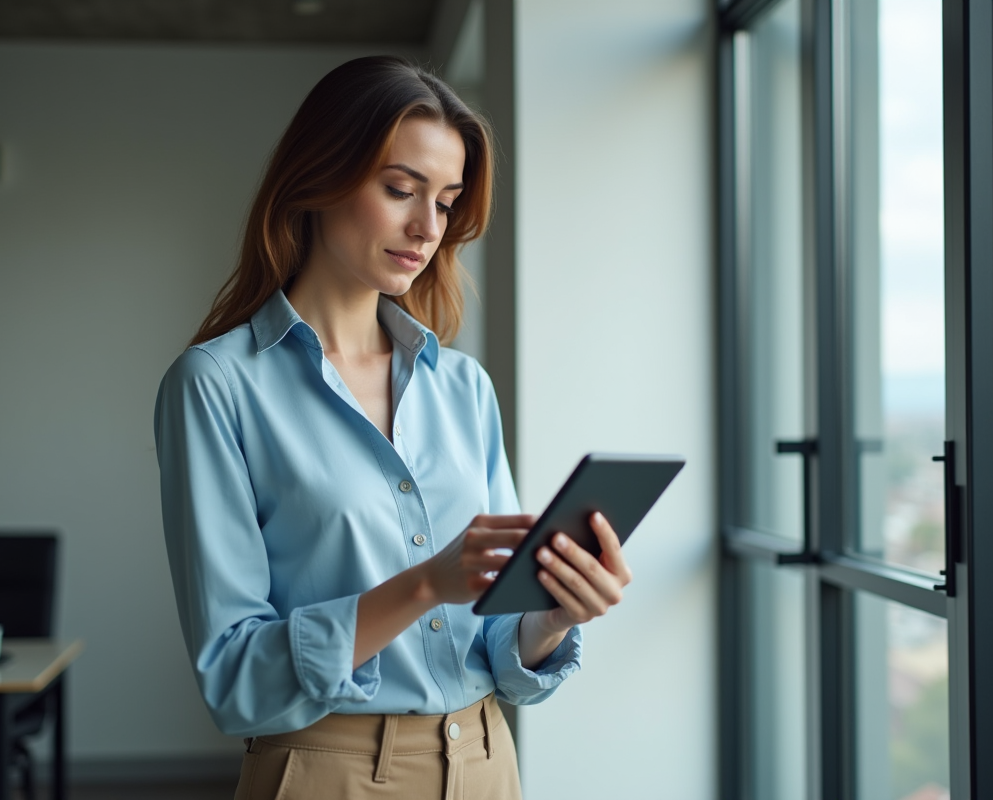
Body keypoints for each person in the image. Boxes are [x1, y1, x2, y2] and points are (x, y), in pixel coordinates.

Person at [153, 56, 633, 800]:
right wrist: (423, 586)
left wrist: (550, 619)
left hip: (486, 761)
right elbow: (235, 678)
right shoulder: (217, 385)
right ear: (318, 179)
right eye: (400, 190)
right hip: (324, 772)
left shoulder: (462, 387)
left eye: (445, 202)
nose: (427, 227)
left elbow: (499, 649)